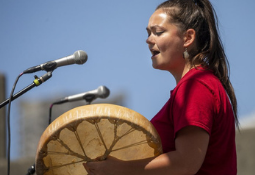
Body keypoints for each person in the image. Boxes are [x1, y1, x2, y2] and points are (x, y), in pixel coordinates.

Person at [83, 0, 238, 174]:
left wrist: (119, 169)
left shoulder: (196, 86)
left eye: (158, 32)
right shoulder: (199, 83)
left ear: (188, 38)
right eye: (149, 33)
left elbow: (185, 163)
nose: (149, 40)